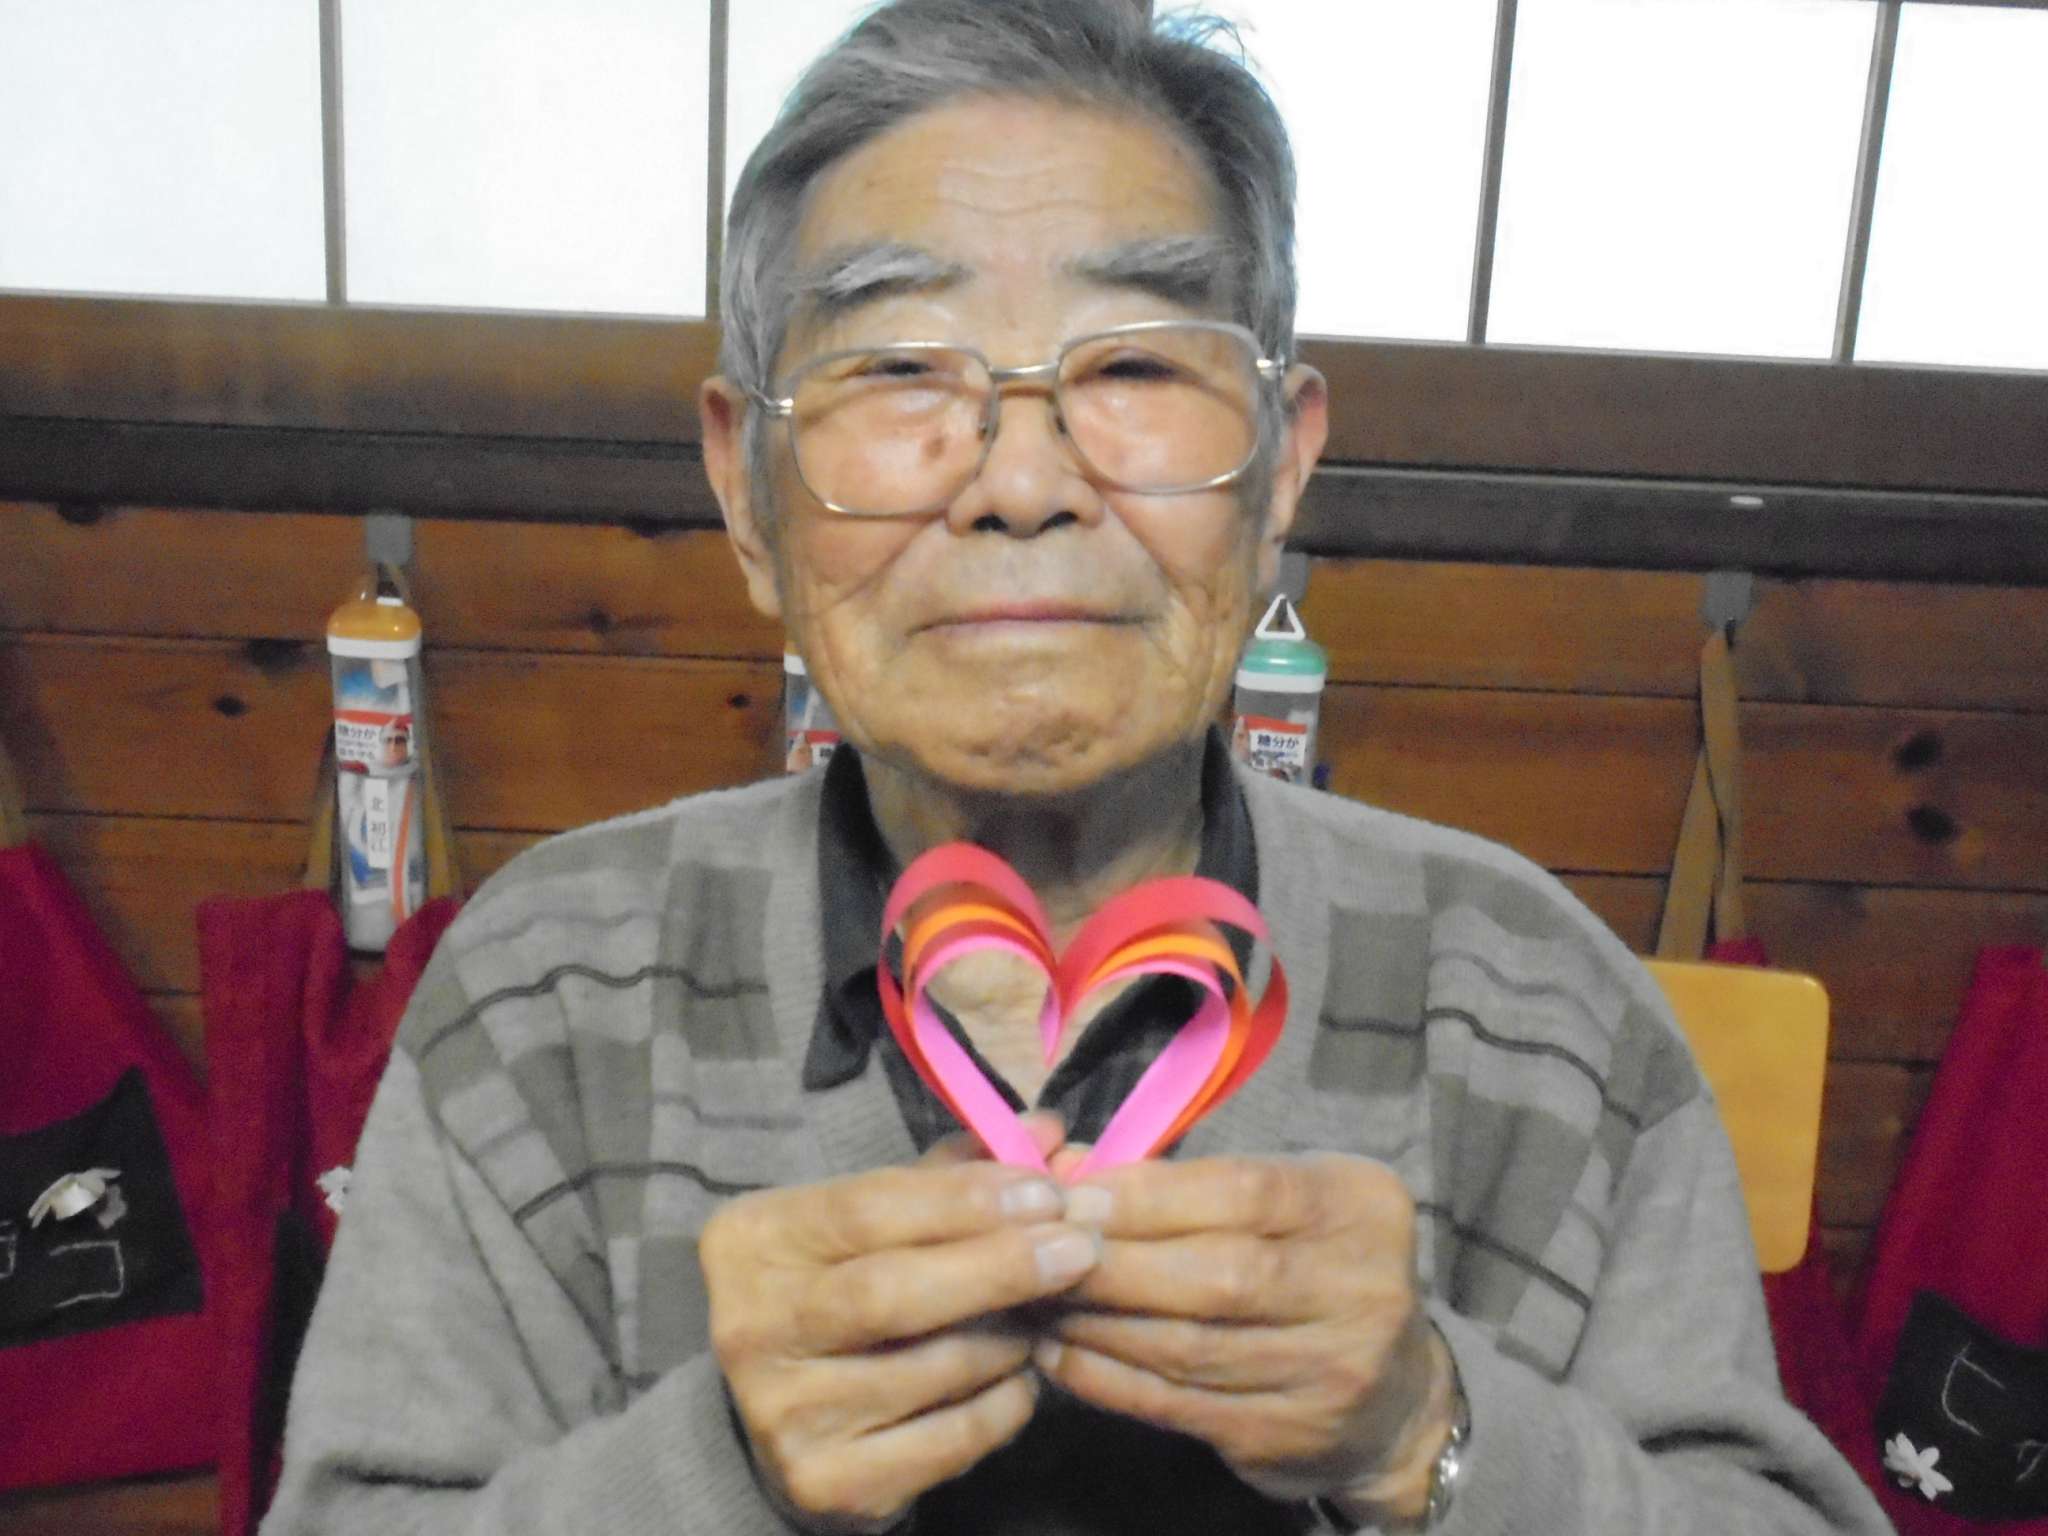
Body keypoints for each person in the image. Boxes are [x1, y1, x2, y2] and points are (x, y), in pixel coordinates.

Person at [261, 3, 1891, 1533]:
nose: (1022, 482)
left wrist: (1426, 1431)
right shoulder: (547, 993)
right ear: (747, 491)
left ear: (1281, 468)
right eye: (901, 368)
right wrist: (718, 1470)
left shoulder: (1537, 1007)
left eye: (1133, 368)